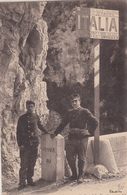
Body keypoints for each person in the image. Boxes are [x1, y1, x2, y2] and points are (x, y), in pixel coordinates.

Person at [50, 94, 98, 183]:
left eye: (76, 101)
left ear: (80, 101)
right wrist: (55, 133)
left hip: (82, 137)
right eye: (72, 101)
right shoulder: (69, 112)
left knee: (81, 157)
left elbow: (95, 121)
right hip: (72, 137)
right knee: (69, 156)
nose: (74, 103)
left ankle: (80, 176)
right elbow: (63, 124)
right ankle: (74, 175)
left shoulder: (85, 111)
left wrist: (89, 132)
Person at [17, 100, 49, 190]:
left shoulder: (36, 116)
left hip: (34, 143)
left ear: (34, 107)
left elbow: (41, 126)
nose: (30, 108)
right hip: (25, 144)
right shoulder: (22, 118)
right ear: (26, 107)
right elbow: (18, 132)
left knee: (32, 162)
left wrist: (48, 132)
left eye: (31, 106)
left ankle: (29, 179)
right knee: (24, 164)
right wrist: (20, 144)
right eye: (28, 106)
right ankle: (22, 182)